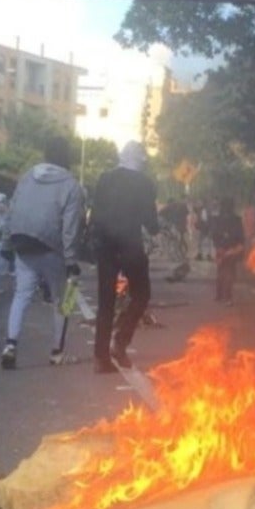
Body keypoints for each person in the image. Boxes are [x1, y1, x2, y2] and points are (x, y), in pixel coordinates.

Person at [0, 135, 85, 370]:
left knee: (21, 295)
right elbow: (70, 227)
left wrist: (7, 243)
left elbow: (12, 210)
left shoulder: (27, 176)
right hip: (50, 247)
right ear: (67, 157)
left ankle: (10, 345)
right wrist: (71, 261)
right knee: (64, 299)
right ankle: (57, 352)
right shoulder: (71, 185)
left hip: (22, 243)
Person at [89, 140, 158, 374]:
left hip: (105, 246)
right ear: (140, 160)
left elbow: (95, 212)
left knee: (105, 302)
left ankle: (101, 357)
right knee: (141, 294)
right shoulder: (144, 183)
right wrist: (157, 229)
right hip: (130, 245)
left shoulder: (104, 178)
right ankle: (120, 341)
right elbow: (150, 220)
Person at [211, 195, 246, 306]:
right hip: (232, 249)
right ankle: (227, 297)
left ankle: (219, 295)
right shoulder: (237, 219)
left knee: (221, 271)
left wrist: (218, 247)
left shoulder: (217, 219)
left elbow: (214, 235)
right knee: (229, 272)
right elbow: (240, 236)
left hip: (221, 248)